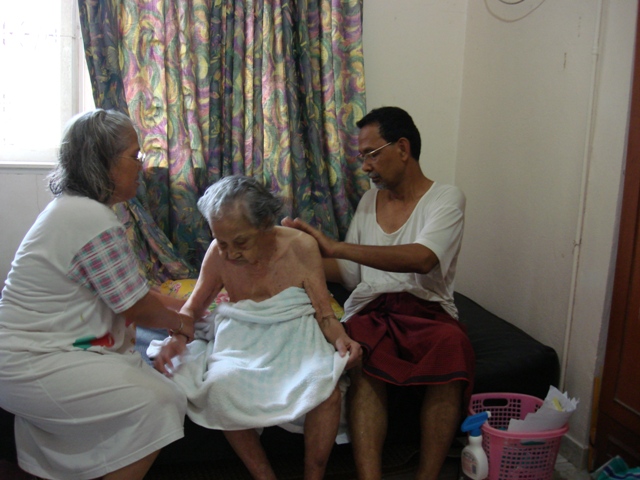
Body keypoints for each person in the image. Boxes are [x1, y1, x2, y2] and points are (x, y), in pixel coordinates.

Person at [0, 109, 195, 480]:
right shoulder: (90, 218)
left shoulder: (75, 210)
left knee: (147, 387)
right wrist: (183, 323)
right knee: (162, 401)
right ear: (104, 162)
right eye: (134, 156)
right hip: (32, 359)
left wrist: (190, 305)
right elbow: (137, 306)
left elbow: (132, 290)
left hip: (43, 350)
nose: (141, 165)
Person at [282, 106, 476, 480]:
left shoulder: (447, 198)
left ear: (402, 148)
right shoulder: (370, 201)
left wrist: (336, 246)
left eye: (371, 154)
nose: (365, 166)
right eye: (362, 157)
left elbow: (423, 259)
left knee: (453, 345)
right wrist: (297, 257)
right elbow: (351, 273)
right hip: (372, 307)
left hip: (427, 307)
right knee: (361, 353)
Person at [152, 175, 362, 480]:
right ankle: (264, 476)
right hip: (243, 334)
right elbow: (193, 307)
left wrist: (342, 340)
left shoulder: (301, 246)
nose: (230, 254)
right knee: (220, 387)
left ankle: (313, 475)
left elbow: (325, 314)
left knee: (325, 386)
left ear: (265, 223)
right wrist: (179, 336)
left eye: (240, 242)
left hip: (294, 333)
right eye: (222, 242)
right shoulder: (217, 254)